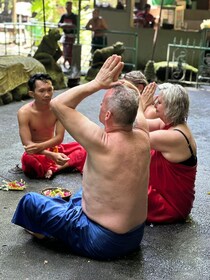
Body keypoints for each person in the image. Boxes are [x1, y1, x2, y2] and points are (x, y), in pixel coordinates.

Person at [12, 55, 153, 260]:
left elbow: (59, 104)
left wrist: (97, 83)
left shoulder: (101, 141)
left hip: (102, 240)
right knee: (80, 193)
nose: (100, 106)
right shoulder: (143, 135)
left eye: (102, 104)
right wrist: (130, 89)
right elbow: (136, 107)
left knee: (30, 202)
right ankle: (65, 215)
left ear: (107, 116)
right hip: (134, 236)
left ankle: (43, 231)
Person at [142, 83, 197, 223]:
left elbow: (135, 138)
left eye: (159, 102)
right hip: (169, 199)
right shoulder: (172, 125)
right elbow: (138, 125)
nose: (155, 104)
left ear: (170, 108)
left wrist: (141, 105)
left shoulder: (175, 136)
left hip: (169, 206)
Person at [17, 73, 86, 179]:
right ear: (32, 94)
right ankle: (61, 164)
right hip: (37, 153)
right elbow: (28, 145)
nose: (47, 94)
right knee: (29, 160)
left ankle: (55, 168)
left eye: (49, 90)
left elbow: (59, 138)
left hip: (54, 148)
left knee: (84, 147)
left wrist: (53, 152)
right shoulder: (24, 112)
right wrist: (50, 154)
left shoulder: (57, 108)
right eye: (41, 91)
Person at [58, 1, 78, 68]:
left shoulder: (74, 16)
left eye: (69, 6)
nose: (68, 7)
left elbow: (76, 26)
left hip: (71, 36)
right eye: (67, 6)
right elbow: (59, 24)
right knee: (65, 50)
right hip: (65, 36)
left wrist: (70, 26)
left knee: (70, 51)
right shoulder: (63, 16)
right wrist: (65, 25)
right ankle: (65, 62)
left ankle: (70, 64)